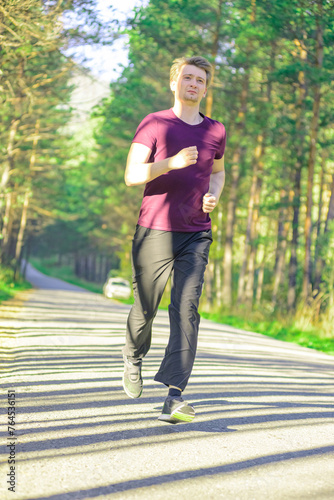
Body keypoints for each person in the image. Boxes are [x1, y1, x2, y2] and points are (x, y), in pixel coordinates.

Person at [122, 55, 226, 424]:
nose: (194, 84)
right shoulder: (154, 123)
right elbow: (132, 176)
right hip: (155, 229)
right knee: (146, 307)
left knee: (187, 311)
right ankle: (133, 355)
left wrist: (214, 195)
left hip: (196, 232)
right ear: (174, 83)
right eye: (188, 77)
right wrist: (170, 163)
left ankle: (174, 395)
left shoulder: (216, 130)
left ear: (206, 88)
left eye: (200, 80)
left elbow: (218, 171)